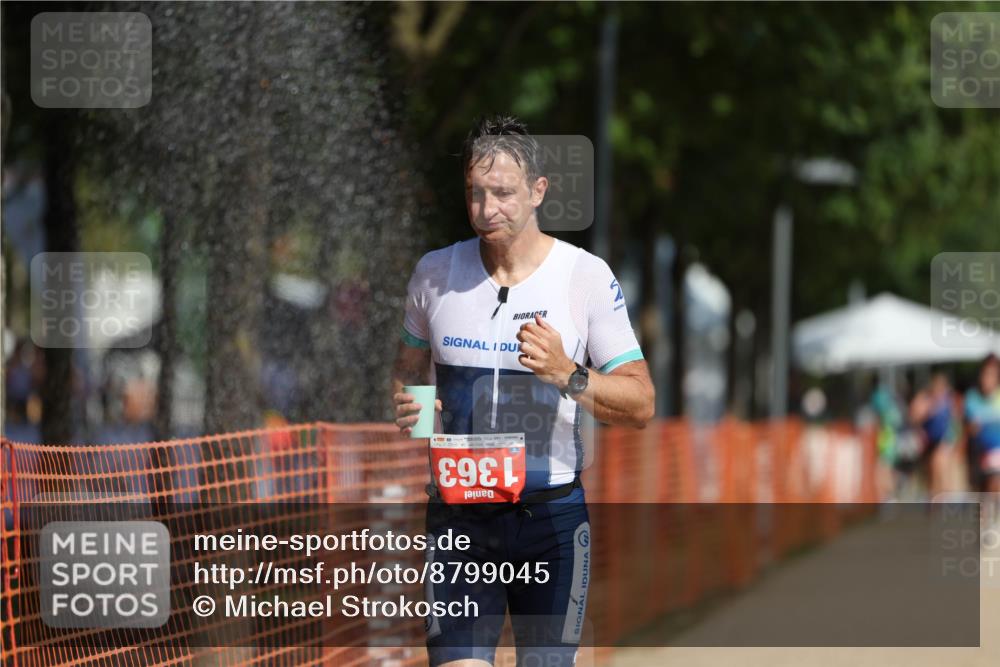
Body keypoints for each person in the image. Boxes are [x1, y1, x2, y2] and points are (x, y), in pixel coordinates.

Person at [390, 114, 655, 667]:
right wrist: (416, 416)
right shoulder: (434, 273)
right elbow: (408, 369)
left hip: (549, 524)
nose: (488, 211)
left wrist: (567, 374)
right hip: (459, 522)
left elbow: (641, 403)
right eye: (475, 194)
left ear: (538, 191)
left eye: (504, 194)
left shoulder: (583, 277)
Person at [909, 372, 958, 497]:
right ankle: (934, 500)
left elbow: (955, 421)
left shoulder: (949, 400)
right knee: (929, 475)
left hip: (944, 441)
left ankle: (942, 499)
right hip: (929, 443)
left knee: (939, 468)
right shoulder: (926, 400)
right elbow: (914, 416)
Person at [965, 354, 1000, 494]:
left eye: (992, 375)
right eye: (985, 374)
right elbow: (967, 431)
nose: (987, 379)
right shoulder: (971, 398)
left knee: (995, 483)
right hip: (978, 454)